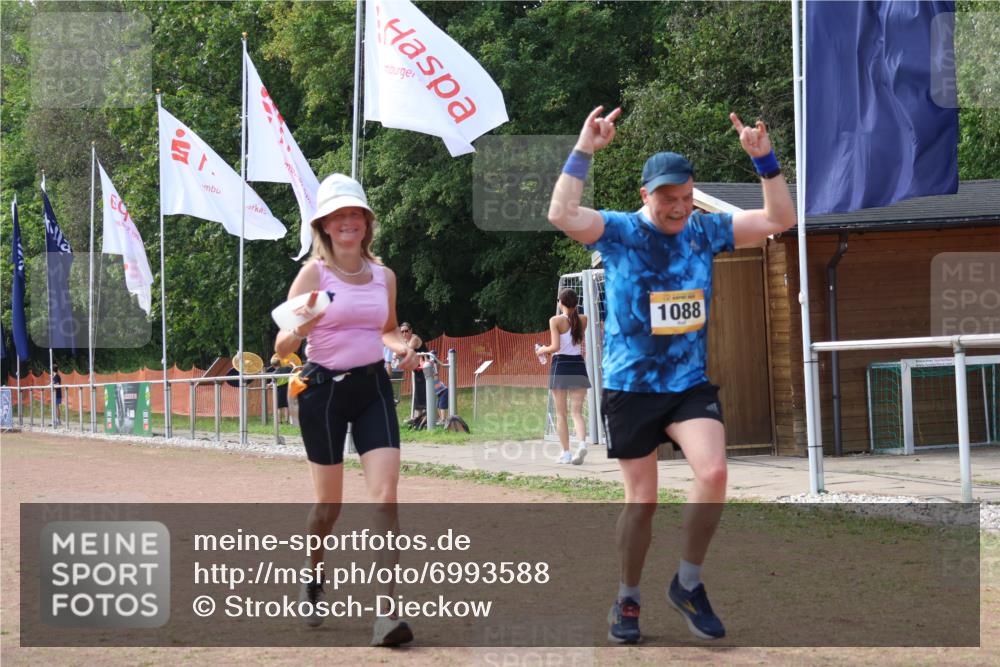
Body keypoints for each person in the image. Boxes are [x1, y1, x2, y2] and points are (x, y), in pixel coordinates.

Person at [547, 106, 795, 643]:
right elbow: (562, 214)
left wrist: (765, 160)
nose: (679, 208)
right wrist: (584, 149)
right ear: (645, 196)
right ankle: (627, 598)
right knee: (644, 502)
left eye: (686, 198)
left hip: (686, 385)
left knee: (714, 473)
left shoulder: (706, 231)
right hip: (630, 386)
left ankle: (688, 583)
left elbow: (780, 220)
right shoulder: (617, 232)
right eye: (668, 200)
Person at [273, 173, 419, 647]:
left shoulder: (384, 276)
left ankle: (386, 613)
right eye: (339, 215)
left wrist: (404, 347)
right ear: (324, 225)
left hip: (373, 387)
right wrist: (302, 325)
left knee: (385, 496)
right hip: (324, 393)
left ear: (366, 222)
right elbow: (281, 345)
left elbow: (389, 328)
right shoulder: (314, 274)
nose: (348, 222)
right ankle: (314, 574)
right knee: (327, 508)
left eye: (355, 213)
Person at [535, 288, 591, 464]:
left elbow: (555, 347)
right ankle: (582, 444)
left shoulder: (555, 320)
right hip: (578, 366)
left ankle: (566, 453)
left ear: (561, 302)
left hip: (561, 366)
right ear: (576, 303)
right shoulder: (584, 319)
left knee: (561, 414)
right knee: (577, 412)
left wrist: (541, 350)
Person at [399, 323, 428, 417]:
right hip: (418, 370)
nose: (404, 334)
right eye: (402, 332)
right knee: (419, 393)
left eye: (406, 331)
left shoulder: (414, 338)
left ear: (411, 331)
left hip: (426, 368)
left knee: (424, 392)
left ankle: (428, 417)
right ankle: (419, 417)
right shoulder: (405, 341)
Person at [266, 354, 293, 425]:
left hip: (279, 390)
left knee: (279, 406)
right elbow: (294, 370)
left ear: (273, 366)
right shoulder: (287, 368)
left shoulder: (275, 373)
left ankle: (279, 421)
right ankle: (287, 421)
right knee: (286, 405)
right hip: (287, 388)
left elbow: (273, 382)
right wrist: (291, 363)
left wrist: (269, 385)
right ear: (280, 363)